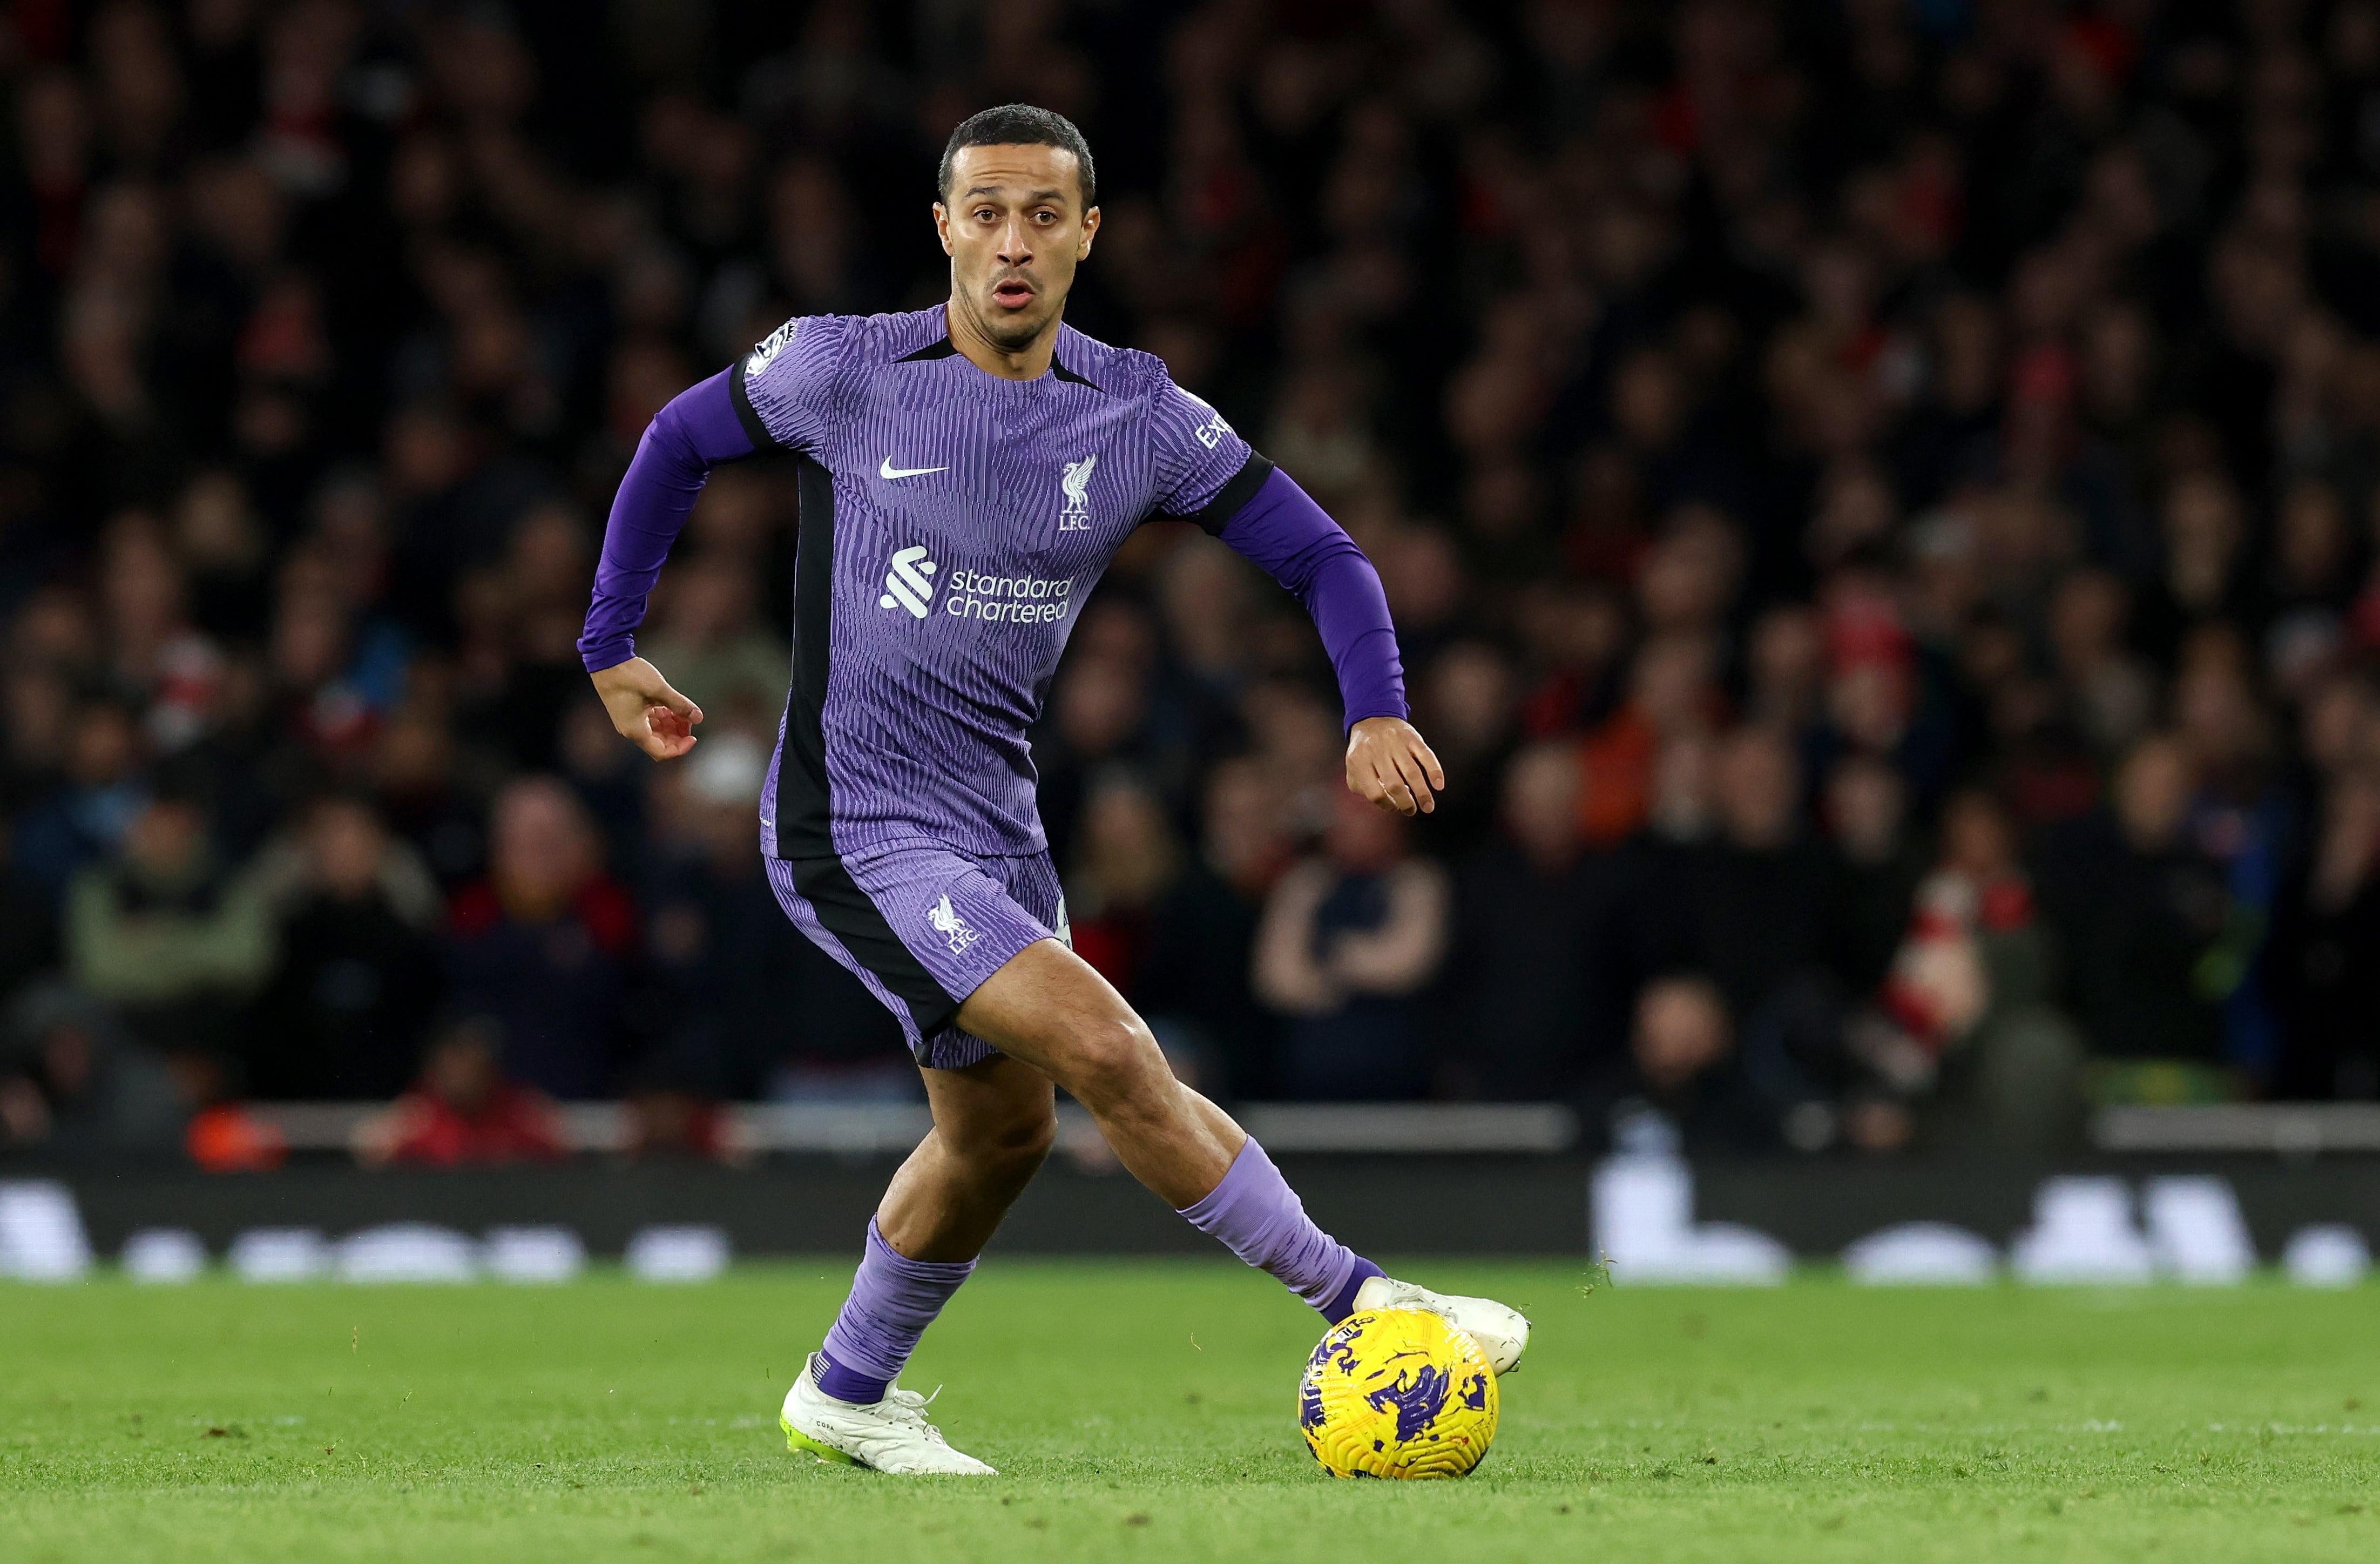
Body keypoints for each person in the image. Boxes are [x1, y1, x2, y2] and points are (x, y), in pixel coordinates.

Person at [578, 105, 1525, 1475]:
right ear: (944, 228)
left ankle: (844, 1392)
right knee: (1107, 1049)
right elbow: (673, 438)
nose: (1010, 243)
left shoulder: (1136, 409)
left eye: (1041, 215)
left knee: (1000, 1132)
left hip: (995, 829)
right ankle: (1366, 1297)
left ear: (1088, 234)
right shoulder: (842, 369)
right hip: (853, 821)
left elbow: (1328, 557)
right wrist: (608, 643)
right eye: (984, 212)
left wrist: (1373, 701)